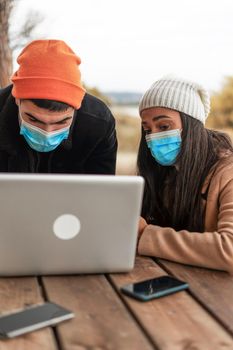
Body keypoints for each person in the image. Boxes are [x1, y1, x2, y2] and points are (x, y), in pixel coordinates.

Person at [137, 76, 233, 273]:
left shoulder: (227, 172)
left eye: (163, 126)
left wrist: (145, 235)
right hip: (173, 278)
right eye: (147, 129)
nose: (153, 136)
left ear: (192, 125)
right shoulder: (162, 173)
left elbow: (229, 249)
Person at [0, 40, 117, 174]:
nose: (47, 133)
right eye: (33, 120)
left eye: (61, 122)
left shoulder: (99, 123)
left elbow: (103, 190)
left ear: (76, 108)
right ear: (17, 99)